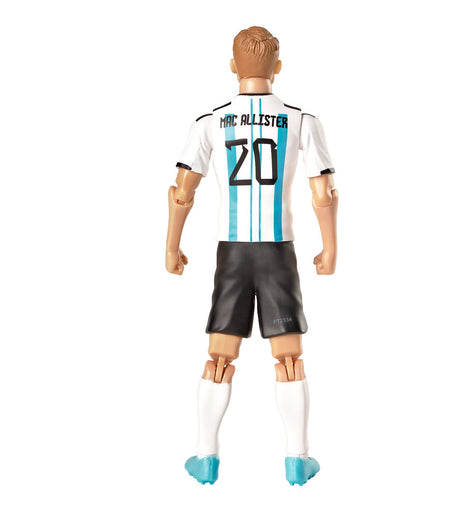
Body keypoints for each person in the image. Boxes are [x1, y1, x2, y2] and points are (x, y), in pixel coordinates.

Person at [165, 26, 338, 486]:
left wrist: (171, 245)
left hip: (233, 252)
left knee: (219, 355)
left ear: (232, 67)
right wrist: (330, 248)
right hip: (279, 251)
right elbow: (324, 192)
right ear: (278, 68)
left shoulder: (211, 121)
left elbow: (181, 191)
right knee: (289, 357)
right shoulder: (301, 120)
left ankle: (205, 457)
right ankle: (297, 459)